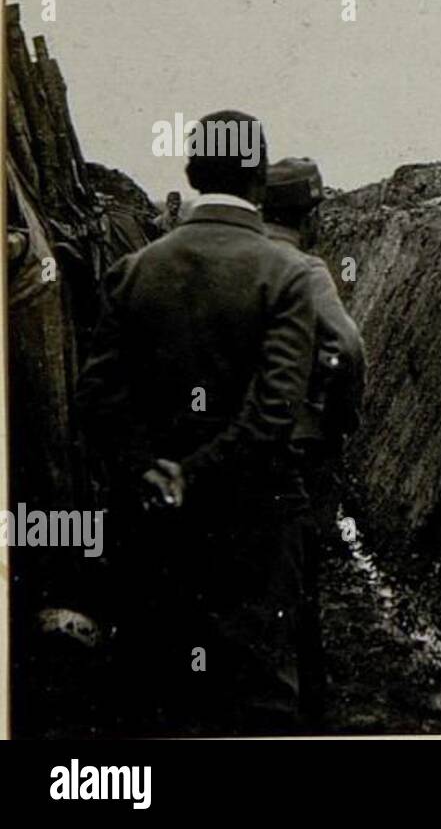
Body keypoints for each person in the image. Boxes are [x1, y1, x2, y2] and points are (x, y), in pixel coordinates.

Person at [76, 110, 317, 735]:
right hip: (253, 521)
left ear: (190, 170)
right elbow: (273, 409)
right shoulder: (286, 275)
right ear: (260, 183)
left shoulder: (135, 270)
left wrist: (149, 471)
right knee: (258, 690)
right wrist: (197, 472)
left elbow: (97, 393)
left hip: (152, 522)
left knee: (154, 680)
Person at [263, 156, 366, 722]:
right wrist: (343, 418)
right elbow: (347, 347)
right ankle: (306, 704)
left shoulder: (242, 259)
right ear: (309, 213)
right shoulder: (305, 268)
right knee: (300, 574)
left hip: (233, 448)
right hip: (299, 447)